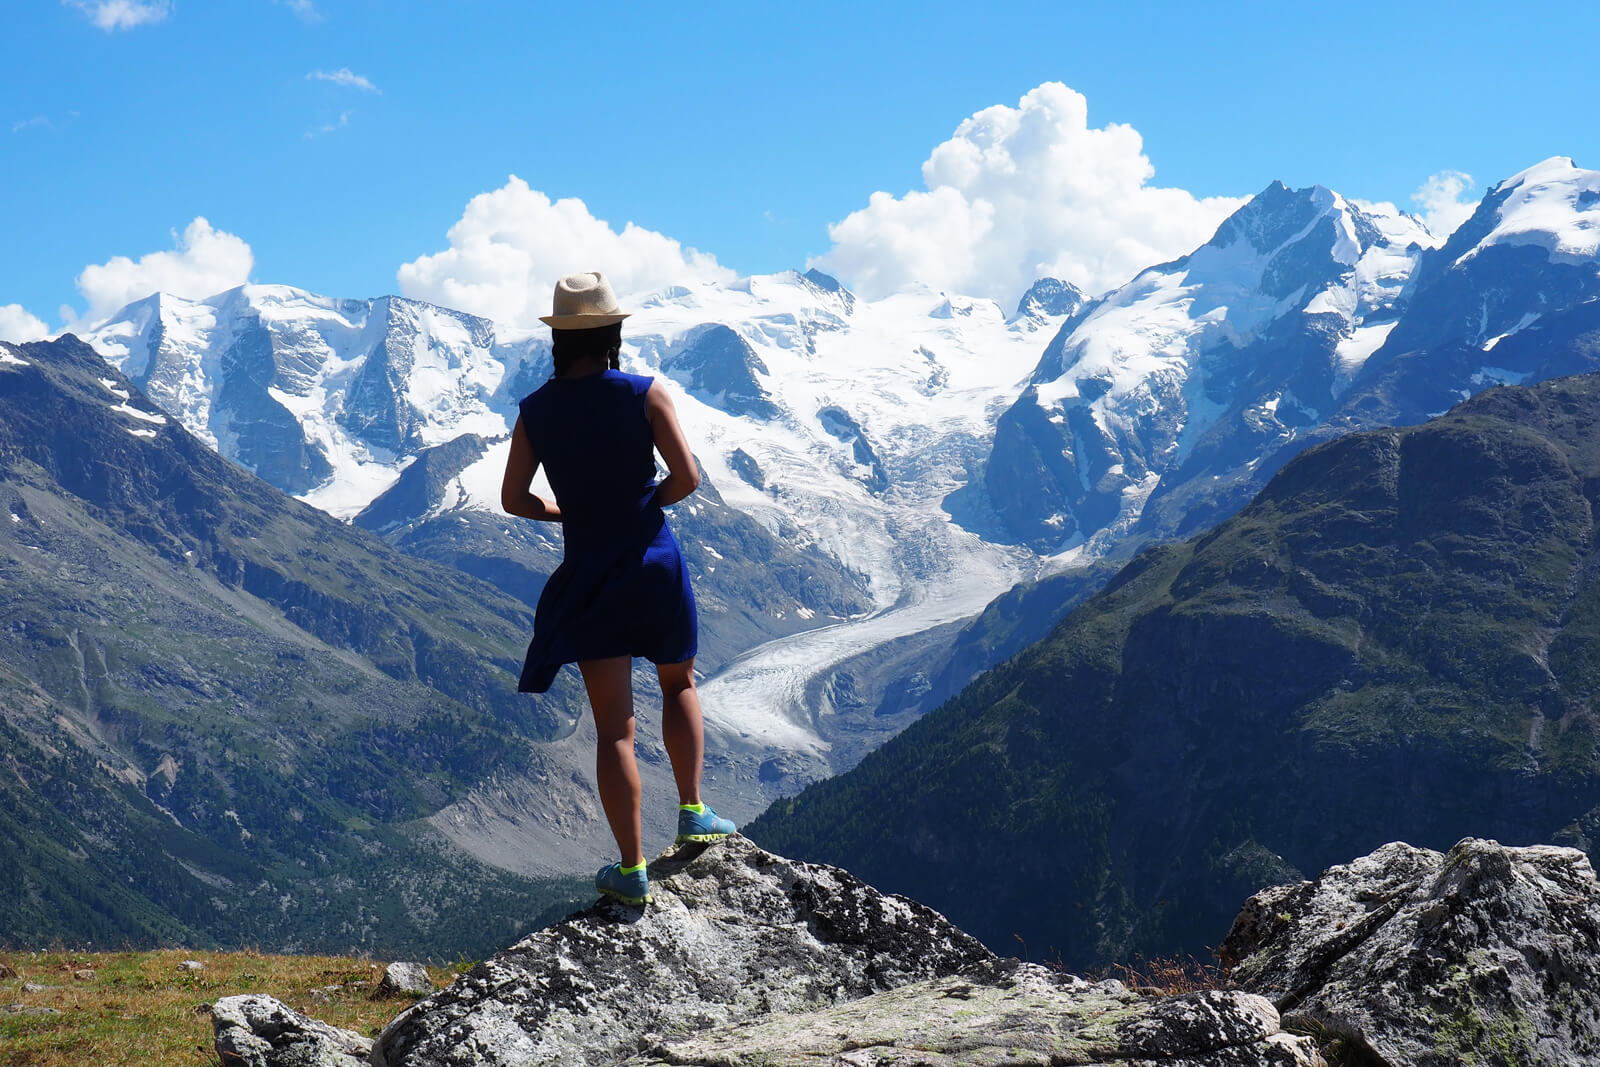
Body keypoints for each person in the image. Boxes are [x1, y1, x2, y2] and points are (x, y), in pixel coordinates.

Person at [501, 271, 735, 906]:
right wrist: (640, 506)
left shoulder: (536, 411)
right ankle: (693, 812)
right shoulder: (646, 393)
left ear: (559, 340)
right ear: (614, 333)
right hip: (653, 560)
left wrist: (568, 514)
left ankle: (631, 870)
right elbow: (686, 478)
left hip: (590, 570)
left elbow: (513, 499)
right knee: (678, 681)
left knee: (614, 732)